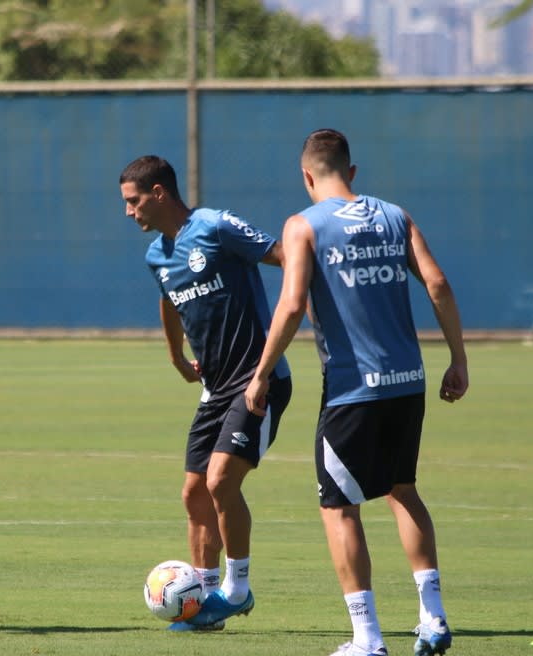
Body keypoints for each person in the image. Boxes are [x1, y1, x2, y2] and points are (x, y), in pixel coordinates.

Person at [245, 129, 468, 656]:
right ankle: (432, 618)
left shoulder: (303, 225)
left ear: (306, 175)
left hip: (352, 391)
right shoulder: (396, 215)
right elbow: (436, 284)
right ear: (352, 171)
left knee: (339, 508)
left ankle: (367, 638)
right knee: (402, 490)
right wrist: (458, 358)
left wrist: (261, 373)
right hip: (407, 384)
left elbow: (293, 303)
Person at [119, 155, 293, 631]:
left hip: (259, 380)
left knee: (220, 482)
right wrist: (176, 357)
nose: (129, 212)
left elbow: (284, 256)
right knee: (195, 493)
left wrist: (307, 304)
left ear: (159, 193)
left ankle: (236, 591)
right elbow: (168, 298)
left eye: (134, 202)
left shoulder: (215, 226)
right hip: (215, 388)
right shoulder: (157, 254)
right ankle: (199, 602)